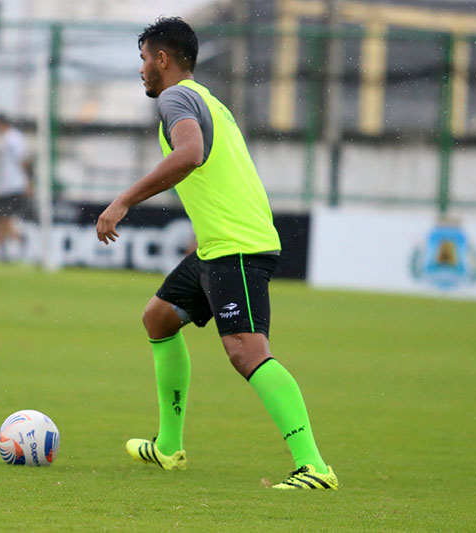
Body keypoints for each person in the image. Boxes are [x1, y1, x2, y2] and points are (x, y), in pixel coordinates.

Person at [95, 17, 338, 490]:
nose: (142, 69)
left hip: (238, 248)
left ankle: (314, 466)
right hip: (220, 246)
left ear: (162, 60)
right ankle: (168, 448)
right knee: (159, 318)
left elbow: (190, 154)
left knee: (245, 351)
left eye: (145, 59)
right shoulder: (207, 98)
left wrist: (124, 199)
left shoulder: (175, 97)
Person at [0, 114, 33, 261]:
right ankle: (9, 245)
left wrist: (29, 182)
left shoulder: (13, 138)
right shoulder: (7, 138)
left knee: (3, 219)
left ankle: (3, 248)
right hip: (6, 186)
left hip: (13, 186)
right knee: (3, 219)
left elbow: (24, 160)